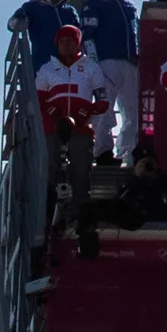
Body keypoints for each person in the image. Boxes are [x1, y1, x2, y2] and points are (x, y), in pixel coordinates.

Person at [34, 22, 112, 213]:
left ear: (78, 43)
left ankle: (81, 214)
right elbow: (38, 100)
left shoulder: (91, 67)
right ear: (57, 43)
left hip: (81, 129)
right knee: (50, 170)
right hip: (52, 129)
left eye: (71, 41)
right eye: (62, 41)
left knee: (81, 171)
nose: (66, 44)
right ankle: (46, 215)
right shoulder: (47, 69)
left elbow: (103, 99)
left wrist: (90, 110)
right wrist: (52, 111)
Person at [80, 0, 142, 161]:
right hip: (106, 62)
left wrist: (139, 54)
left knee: (132, 110)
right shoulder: (94, 3)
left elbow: (137, 33)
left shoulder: (129, 5)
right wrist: (93, 61)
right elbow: (87, 34)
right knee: (104, 108)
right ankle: (102, 151)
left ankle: (128, 152)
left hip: (130, 63)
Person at [11, 0, 79, 66]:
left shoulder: (68, 10)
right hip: (44, 63)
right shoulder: (31, 7)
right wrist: (19, 17)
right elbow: (13, 25)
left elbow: (80, 34)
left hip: (70, 63)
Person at [110, 148, 167, 228]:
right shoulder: (128, 191)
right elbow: (114, 213)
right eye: (141, 163)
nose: (145, 167)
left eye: (149, 165)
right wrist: (135, 181)